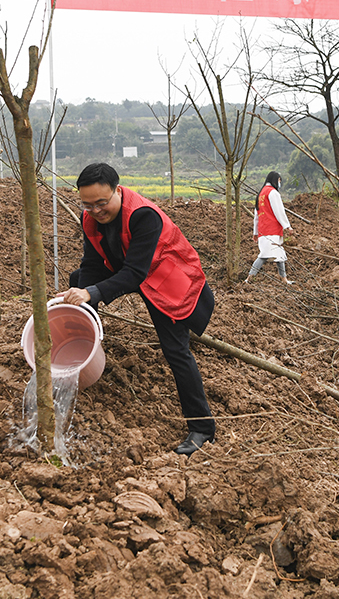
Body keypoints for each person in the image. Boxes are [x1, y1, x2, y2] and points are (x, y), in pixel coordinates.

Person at [59, 163, 217, 456]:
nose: (95, 210)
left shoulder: (144, 216)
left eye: (102, 203)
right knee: (77, 283)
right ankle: (80, 348)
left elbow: (135, 273)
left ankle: (203, 427)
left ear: (117, 191)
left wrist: (92, 292)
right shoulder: (90, 218)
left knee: (175, 350)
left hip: (167, 279)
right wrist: (83, 297)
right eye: (88, 205)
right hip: (131, 270)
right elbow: (92, 264)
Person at [245, 171, 294, 284]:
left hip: (263, 229)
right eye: (279, 181)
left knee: (279, 254)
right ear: (275, 180)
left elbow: (256, 216)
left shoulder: (261, 194)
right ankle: (249, 278)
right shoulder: (273, 193)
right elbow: (279, 211)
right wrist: (287, 226)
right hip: (272, 230)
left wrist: (255, 232)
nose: (279, 183)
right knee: (264, 255)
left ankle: (284, 279)